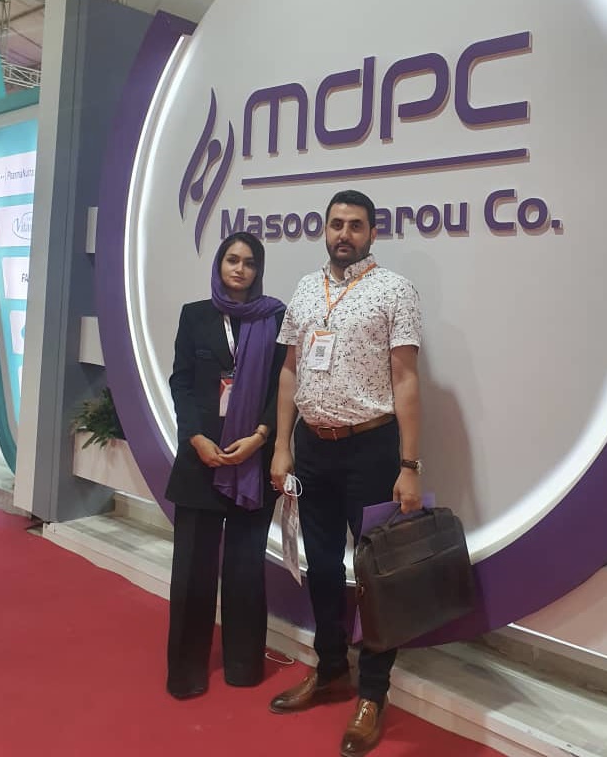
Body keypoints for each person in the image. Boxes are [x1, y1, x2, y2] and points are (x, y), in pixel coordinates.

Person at [269, 190, 423, 757]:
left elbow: (406, 380)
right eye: (336, 224)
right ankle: (331, 666)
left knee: (377, 576)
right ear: (325, 229)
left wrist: (409, 465)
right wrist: (281, 446)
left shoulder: (396, 290)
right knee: (323, 566)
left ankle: (373, 693)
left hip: (372, 448)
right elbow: (289, 372)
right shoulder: (306, 289)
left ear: (373, 233)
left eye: (356, 225)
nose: (344, 234)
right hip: (313, 448)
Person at [165, 231, 286, 699]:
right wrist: (195, 437)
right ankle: (185, 672)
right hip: (201, 458)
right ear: (219, 264)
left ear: (259, 270)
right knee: (192, 569)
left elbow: (284, 387)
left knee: (244, 569)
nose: (240, 269)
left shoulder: (275, 318)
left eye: (249, 262)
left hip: (251, 460)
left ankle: (243, 667)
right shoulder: (195, 315)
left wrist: (260, 436)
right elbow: (181, 382)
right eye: (232, 260)